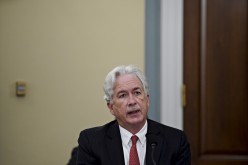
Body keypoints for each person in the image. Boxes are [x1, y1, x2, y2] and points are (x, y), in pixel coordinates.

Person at [76, 65, 191, 165]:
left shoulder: (175, 141)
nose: (132, 101)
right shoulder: (92, 142)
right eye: (123, 95)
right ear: (111, 107)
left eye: (137, 93)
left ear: (147, 100)